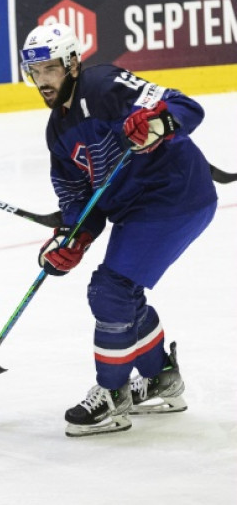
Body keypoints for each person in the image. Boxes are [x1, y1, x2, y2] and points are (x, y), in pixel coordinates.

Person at [20, 23, 218, 437]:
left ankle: (113, 395)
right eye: (34, 72)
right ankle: (160, 377)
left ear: (73, 63)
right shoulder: (56, 131)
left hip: (175, 195)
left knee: (110, 291)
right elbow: (79, 202)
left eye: (50, 69)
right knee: (120, 294)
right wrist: (70, 239)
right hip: (136, 209)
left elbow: (186, 106)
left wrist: (158, 123)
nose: (42, 81)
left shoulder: (105, 84)